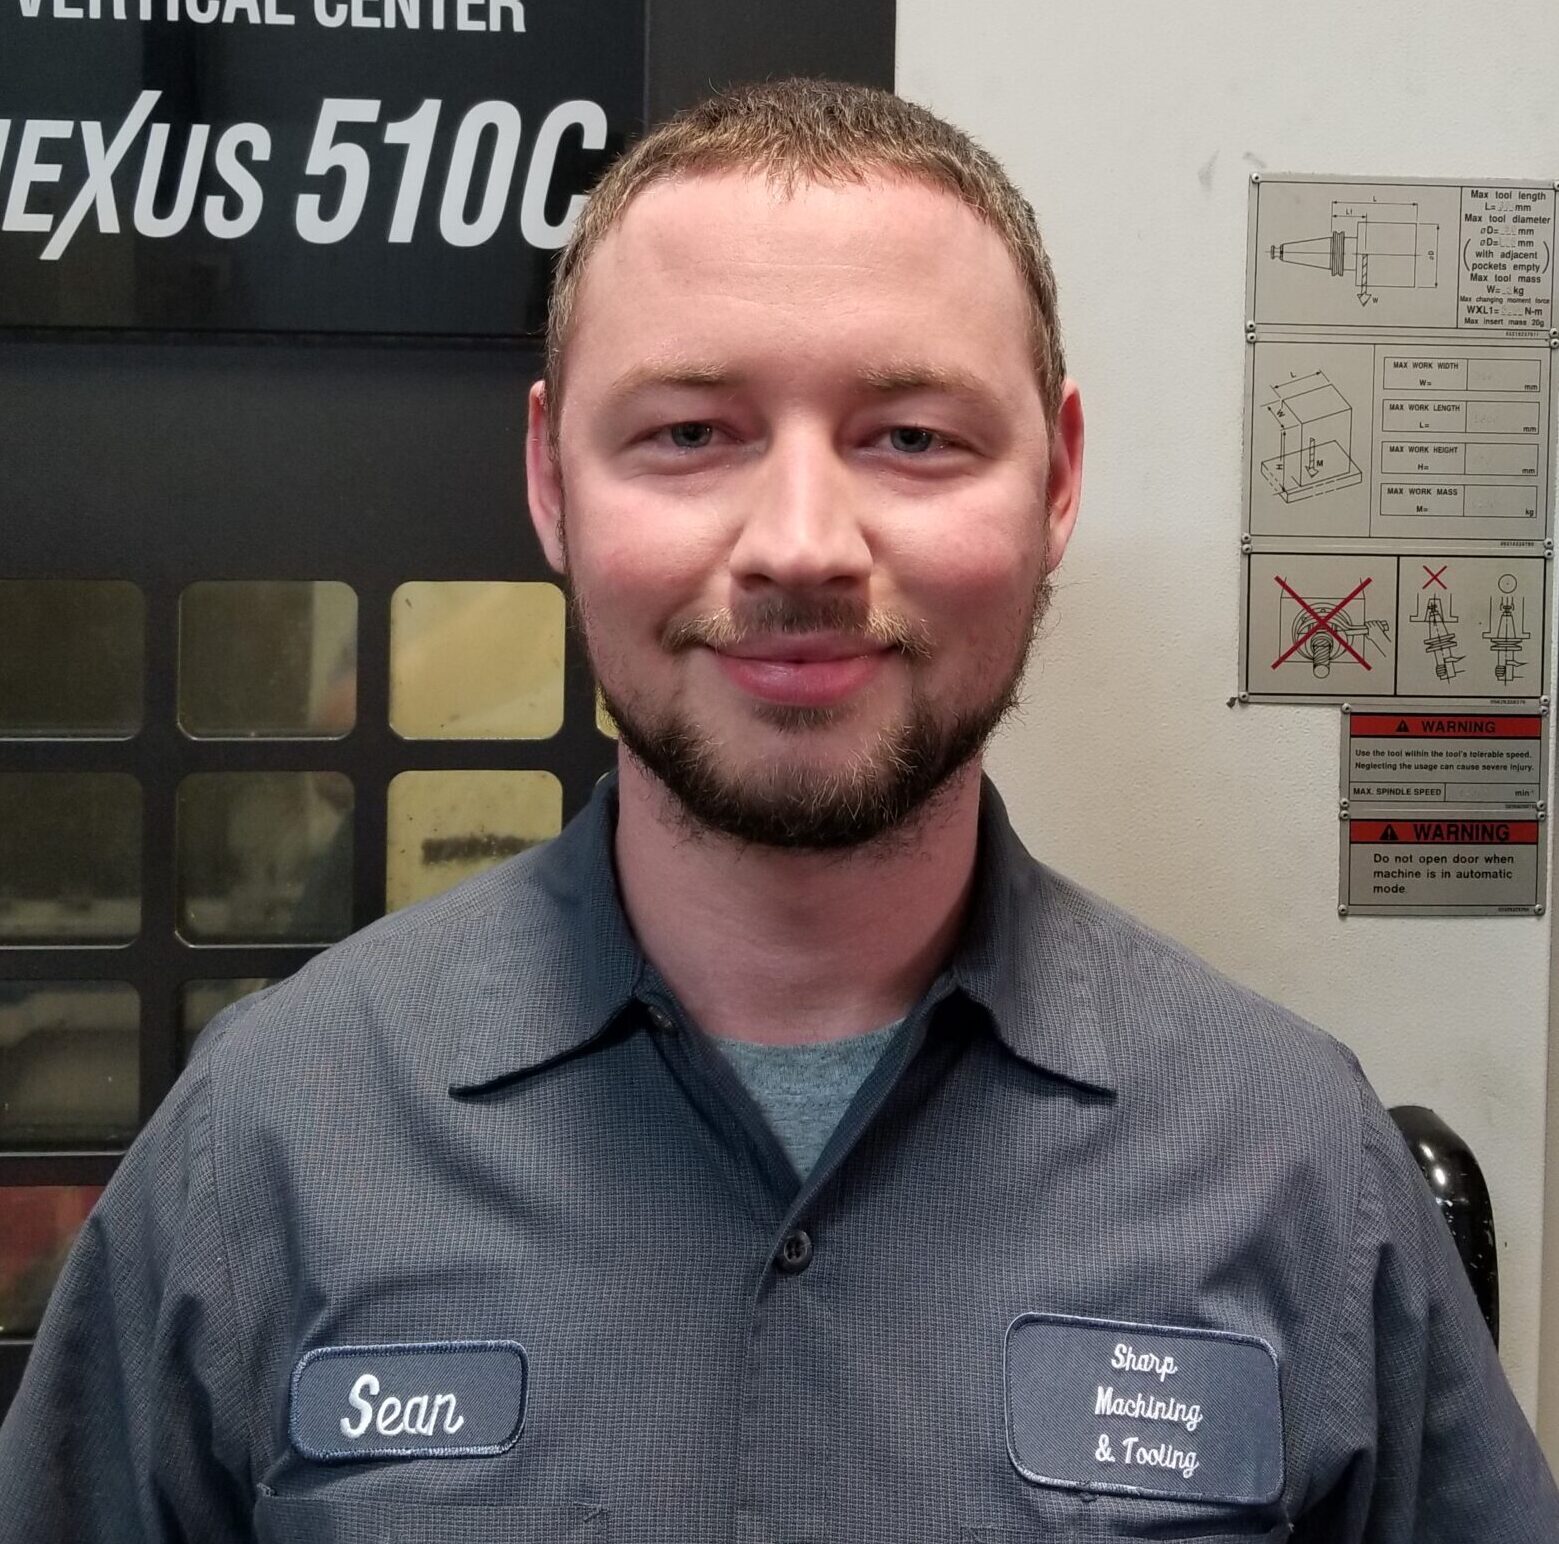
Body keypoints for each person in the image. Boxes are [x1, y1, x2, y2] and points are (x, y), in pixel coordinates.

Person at [1, 78, 1555, 1544]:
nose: (802, 544)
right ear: (551, 479)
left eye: (912, 438)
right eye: (690, 434)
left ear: (1056, 480)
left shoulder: (1290, 1161)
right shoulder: (275, 1139)